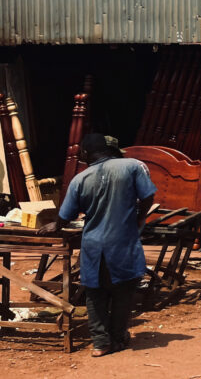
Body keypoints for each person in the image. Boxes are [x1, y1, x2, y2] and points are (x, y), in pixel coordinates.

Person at [40, 133, 156, 357]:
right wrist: (140, 217)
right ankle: (118, 338)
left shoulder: (80, 179)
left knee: (95, 294)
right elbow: (148, 196)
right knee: (123, 292)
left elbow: (66, 215)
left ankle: (101, 343)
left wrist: (56, 224)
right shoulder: (132, 166)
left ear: (86, 153)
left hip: (93, 246)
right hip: (122, 244)